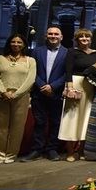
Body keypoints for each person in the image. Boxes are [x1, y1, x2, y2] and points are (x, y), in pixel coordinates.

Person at [21, 26, 67, 162]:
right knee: (39, 123)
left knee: (55, 122)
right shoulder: (36, 51)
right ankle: (36, 150)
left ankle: (52, 149)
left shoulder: (67, 52)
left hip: (56, 93)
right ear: (46, 36)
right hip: (39, 93)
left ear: (61, 37)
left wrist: (52, 86)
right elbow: (31, 71)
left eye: (56, 34)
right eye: (50, 34)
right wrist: (42, 85)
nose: (53, 36)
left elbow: (67, 73)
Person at [0, 34, 35, 164]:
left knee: (17, 127)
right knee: (0, 126)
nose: (16, 44)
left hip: (21, 97)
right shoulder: (0, 59)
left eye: (19, 42)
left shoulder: (30, 61)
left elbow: (30, 80)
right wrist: (3, 92)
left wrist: (16, 94)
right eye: (13, 42)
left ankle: (11, 154)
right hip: (2, 96)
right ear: (9, 43)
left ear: (24, 44)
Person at [59, 28, 96, 162]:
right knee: (71, 117)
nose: (85, 39)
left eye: (87, 37)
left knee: (85, 119)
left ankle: (81, 151)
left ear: (91, 39)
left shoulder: (95, 54)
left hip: (90, 87)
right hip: (75, 85)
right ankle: (70, 152)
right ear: (77, 39)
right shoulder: (72, 52)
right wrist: (69, 87)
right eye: (81, 37)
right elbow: (68, 70)